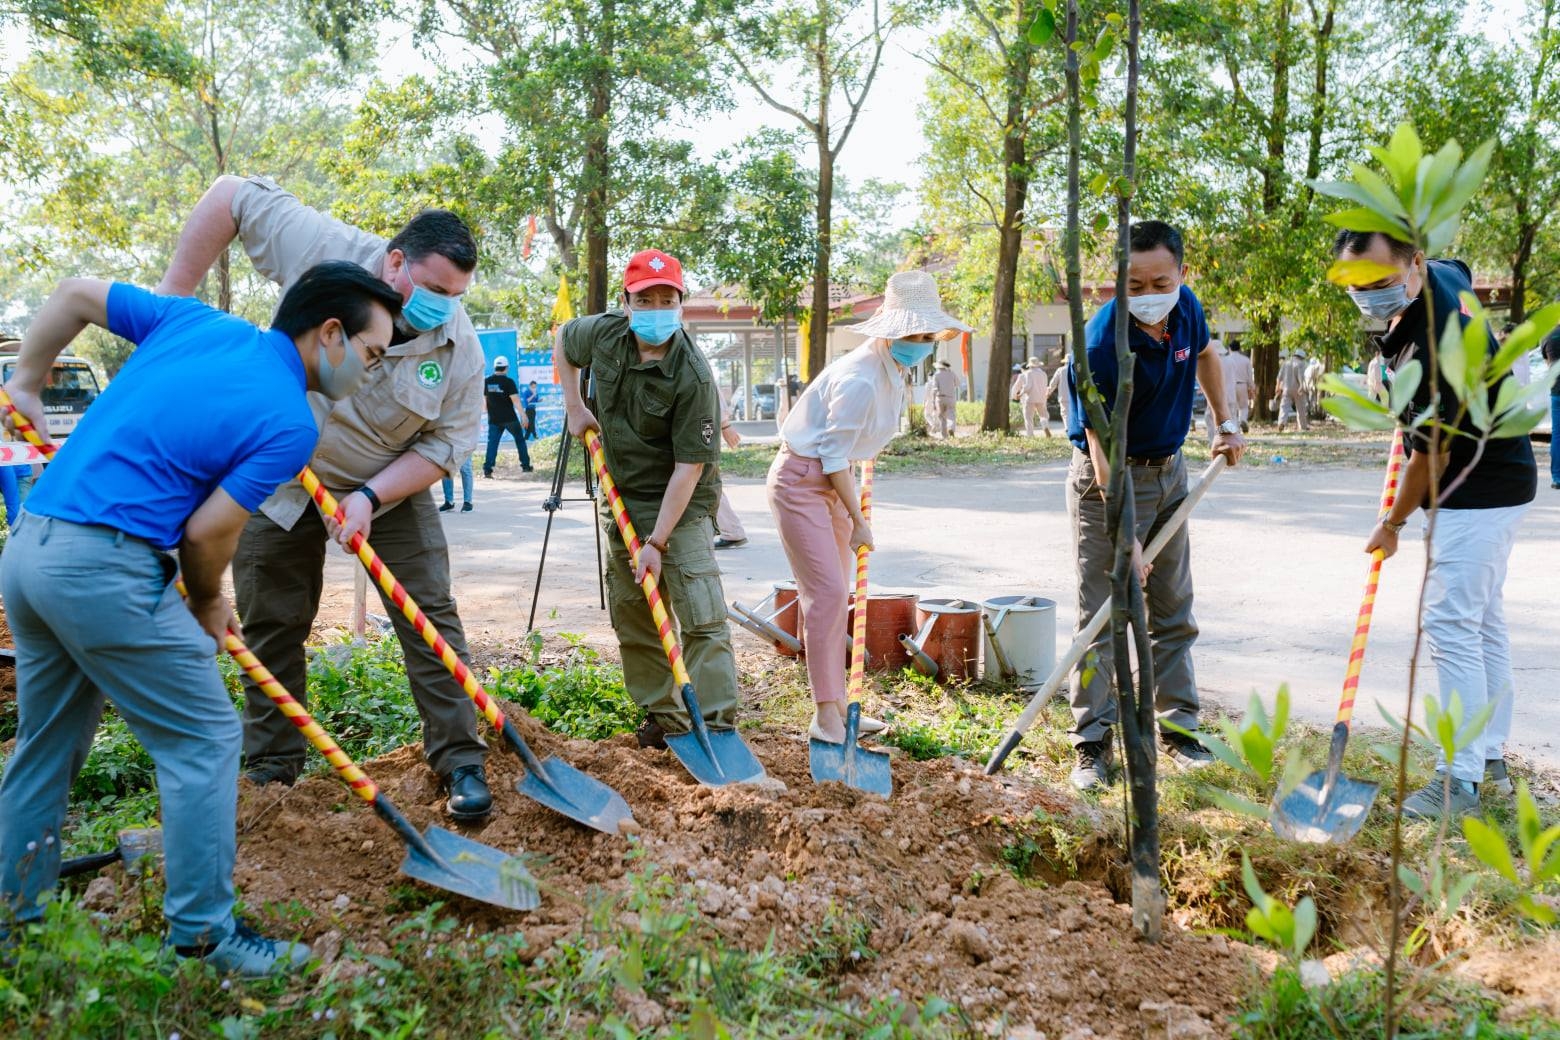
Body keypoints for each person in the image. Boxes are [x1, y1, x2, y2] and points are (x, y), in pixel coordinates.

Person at [1, 262, 399, 975]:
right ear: (329, 334)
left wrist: (25, 380)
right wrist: (211, 600)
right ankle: (205, 937)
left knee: (46, 745)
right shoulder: (287, 419)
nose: (368, 372)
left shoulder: (196, 323)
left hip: (31, 551)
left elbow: (75, 294)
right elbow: (209, 532)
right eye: (370, 354)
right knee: (206, 740)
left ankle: (14, 917)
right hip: (103, 571)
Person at [156, 175, 494, 820]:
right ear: (394, 262)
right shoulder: (324, 249)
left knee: (430, 618)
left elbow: (448, 445)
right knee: (273, 621)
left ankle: (461, 760)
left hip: (385, 485)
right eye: (435, 290)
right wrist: (172, 299)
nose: (445, 306)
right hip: (280, 476)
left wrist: (369, 495)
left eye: (457, 296)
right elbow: (233, 192)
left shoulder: (458, 344)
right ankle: (272, 772)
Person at [1333, 230, 1538, 819]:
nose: (1369, 294)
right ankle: (1489, 755)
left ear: (1413, 263)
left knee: (1450, 625)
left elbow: (1429, 457)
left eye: (1380, 282)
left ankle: (1459, 780)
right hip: (1505, 475)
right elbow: (1464, 268)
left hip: (1476, 487)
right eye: (1357, 285)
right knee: (1481, 620)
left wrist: (1392, 524)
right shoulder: (1446, 275)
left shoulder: (1429, 347)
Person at [1063, 220, 1247, 792]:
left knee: (1172, 608)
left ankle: (1179, 729)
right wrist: (1126, 534)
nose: (1147, 295)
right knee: (1104, 614)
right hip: (1107, 483)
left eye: (1158, 281)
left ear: (1181, 274)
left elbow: (1209, 358)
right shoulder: (1100, 343)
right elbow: (1100, 447)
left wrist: (1227, 423)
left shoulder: (1186, 306)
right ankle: (1091, 742)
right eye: (1133, 285)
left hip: (1170, 471)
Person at [769, 271, 971, 741]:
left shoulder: (892, 369)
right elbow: (832, 453)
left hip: (834, 483)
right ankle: (825, 717)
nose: (920, 343)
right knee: (828, 597)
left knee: (837, 596)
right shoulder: (860, 377)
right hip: (802, 483)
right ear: (890, 331)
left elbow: (853, 446)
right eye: (912, 335)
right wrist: (857, 520)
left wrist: (853, 495)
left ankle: (839, 706)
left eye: (927, 336)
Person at [558, 249, 740, 748]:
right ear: (627, 301)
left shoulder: (694, 375)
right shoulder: (605, 333)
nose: (657, 307)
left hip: (678, 507)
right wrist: (574, 405)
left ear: (680, 303)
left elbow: (689, 467)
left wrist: (656, 543)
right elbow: (564, 341)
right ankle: (667, 718)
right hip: (617, 495)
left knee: (701, 616)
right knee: (635, 614)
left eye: (668, 298)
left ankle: (718, 726)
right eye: (646, 298)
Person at [482, 356, 532, 475]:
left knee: (492, 444)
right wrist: (523, 416)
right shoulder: (508, 382)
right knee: (520, 440)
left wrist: (487, 411)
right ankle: (525, 466)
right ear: (506, 368)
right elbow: (515, 400)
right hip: (510, 419)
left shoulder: (487, 381)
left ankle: (487, 470)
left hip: (494, 419)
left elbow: (484, 400)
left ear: (495, 367)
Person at [713, 381, 747, 549]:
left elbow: (711, 389)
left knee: (703, 481)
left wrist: (725, 425)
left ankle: (732, 530)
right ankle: (730, 530)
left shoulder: (689, 356)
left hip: (701, 429)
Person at [1275, 351, 1309, 432]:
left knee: (1284, 407)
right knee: (1300, 408)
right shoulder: (1300, 363)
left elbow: (1279, 377)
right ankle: (1303, 426)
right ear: (1301, 357)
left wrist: (1277, 387)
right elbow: (1301, 376)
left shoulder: (1286, 363)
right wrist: (1301, 386)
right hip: (1297, 389)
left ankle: (1281, 422)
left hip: (1286, 388)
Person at [1224, 343, 1255, 431]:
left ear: (1229, 348)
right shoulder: (1245, 360)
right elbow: (1250, 375)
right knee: (1244, 406)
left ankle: (1235, 427)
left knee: (1231, 408)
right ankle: (1243, 420)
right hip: (1242, 385)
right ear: (1239, 348)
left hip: (1230, 386)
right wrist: (1252, 387)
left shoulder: (1226, 360)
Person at [1019, 357, 1051, 437]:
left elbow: (1028, 386)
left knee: (1028, 417)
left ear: (1030, 365)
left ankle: (1030, 435)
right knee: (1043, 415)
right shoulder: (1043, 374)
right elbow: (1045, 386)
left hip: (1030, 398)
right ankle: (1045, 425)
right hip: (1041, 398)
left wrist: (1021, 392)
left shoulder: (1029, 373)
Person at [1544, 329, 1560, 491]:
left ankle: (1557, 478)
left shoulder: (1548, 335)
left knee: (1557, 435)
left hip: (1557, 390)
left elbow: (1548, 363)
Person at [930, 359, 962, 438]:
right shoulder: (951, 373)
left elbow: (934, 389)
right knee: (951, 414)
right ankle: (951, 427)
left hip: (940, 398)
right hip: (950, 397)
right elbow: (958, 383)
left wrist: (933, 402)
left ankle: (944, 436)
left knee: (942, 417)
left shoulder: (936, 375)